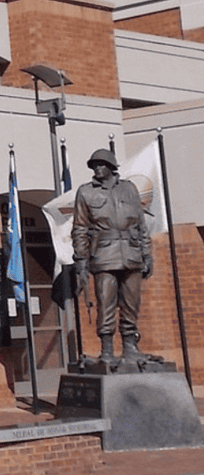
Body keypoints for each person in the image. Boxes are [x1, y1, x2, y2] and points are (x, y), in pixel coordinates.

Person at [72, 148, 152, 362]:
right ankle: (107, 349)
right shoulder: (86, 192)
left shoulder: (129, 189)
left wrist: (147, 253)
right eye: (94, 165)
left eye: (101, 164)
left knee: (131, 303)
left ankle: (130, 346)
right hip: (103, 257)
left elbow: (141, 224)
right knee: (105, 304)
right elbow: (80, 228)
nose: (97, 169)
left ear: (111, 166)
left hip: (131, 254)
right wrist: (81, 259)